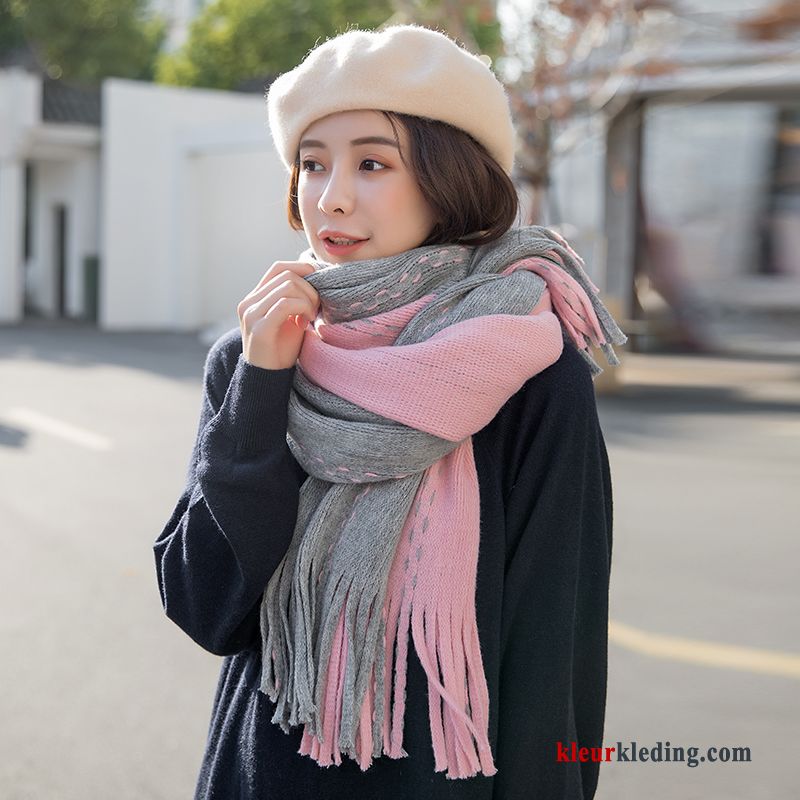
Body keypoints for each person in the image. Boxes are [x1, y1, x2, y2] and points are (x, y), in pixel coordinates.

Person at [153, 24, 626, 800]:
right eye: (312, 163)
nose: (329, 195)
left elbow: (556, 648)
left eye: (372, 162)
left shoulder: (529, 372)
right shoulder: (254, 357)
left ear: (450, 179)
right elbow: (208, 609)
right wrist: (261, 384)